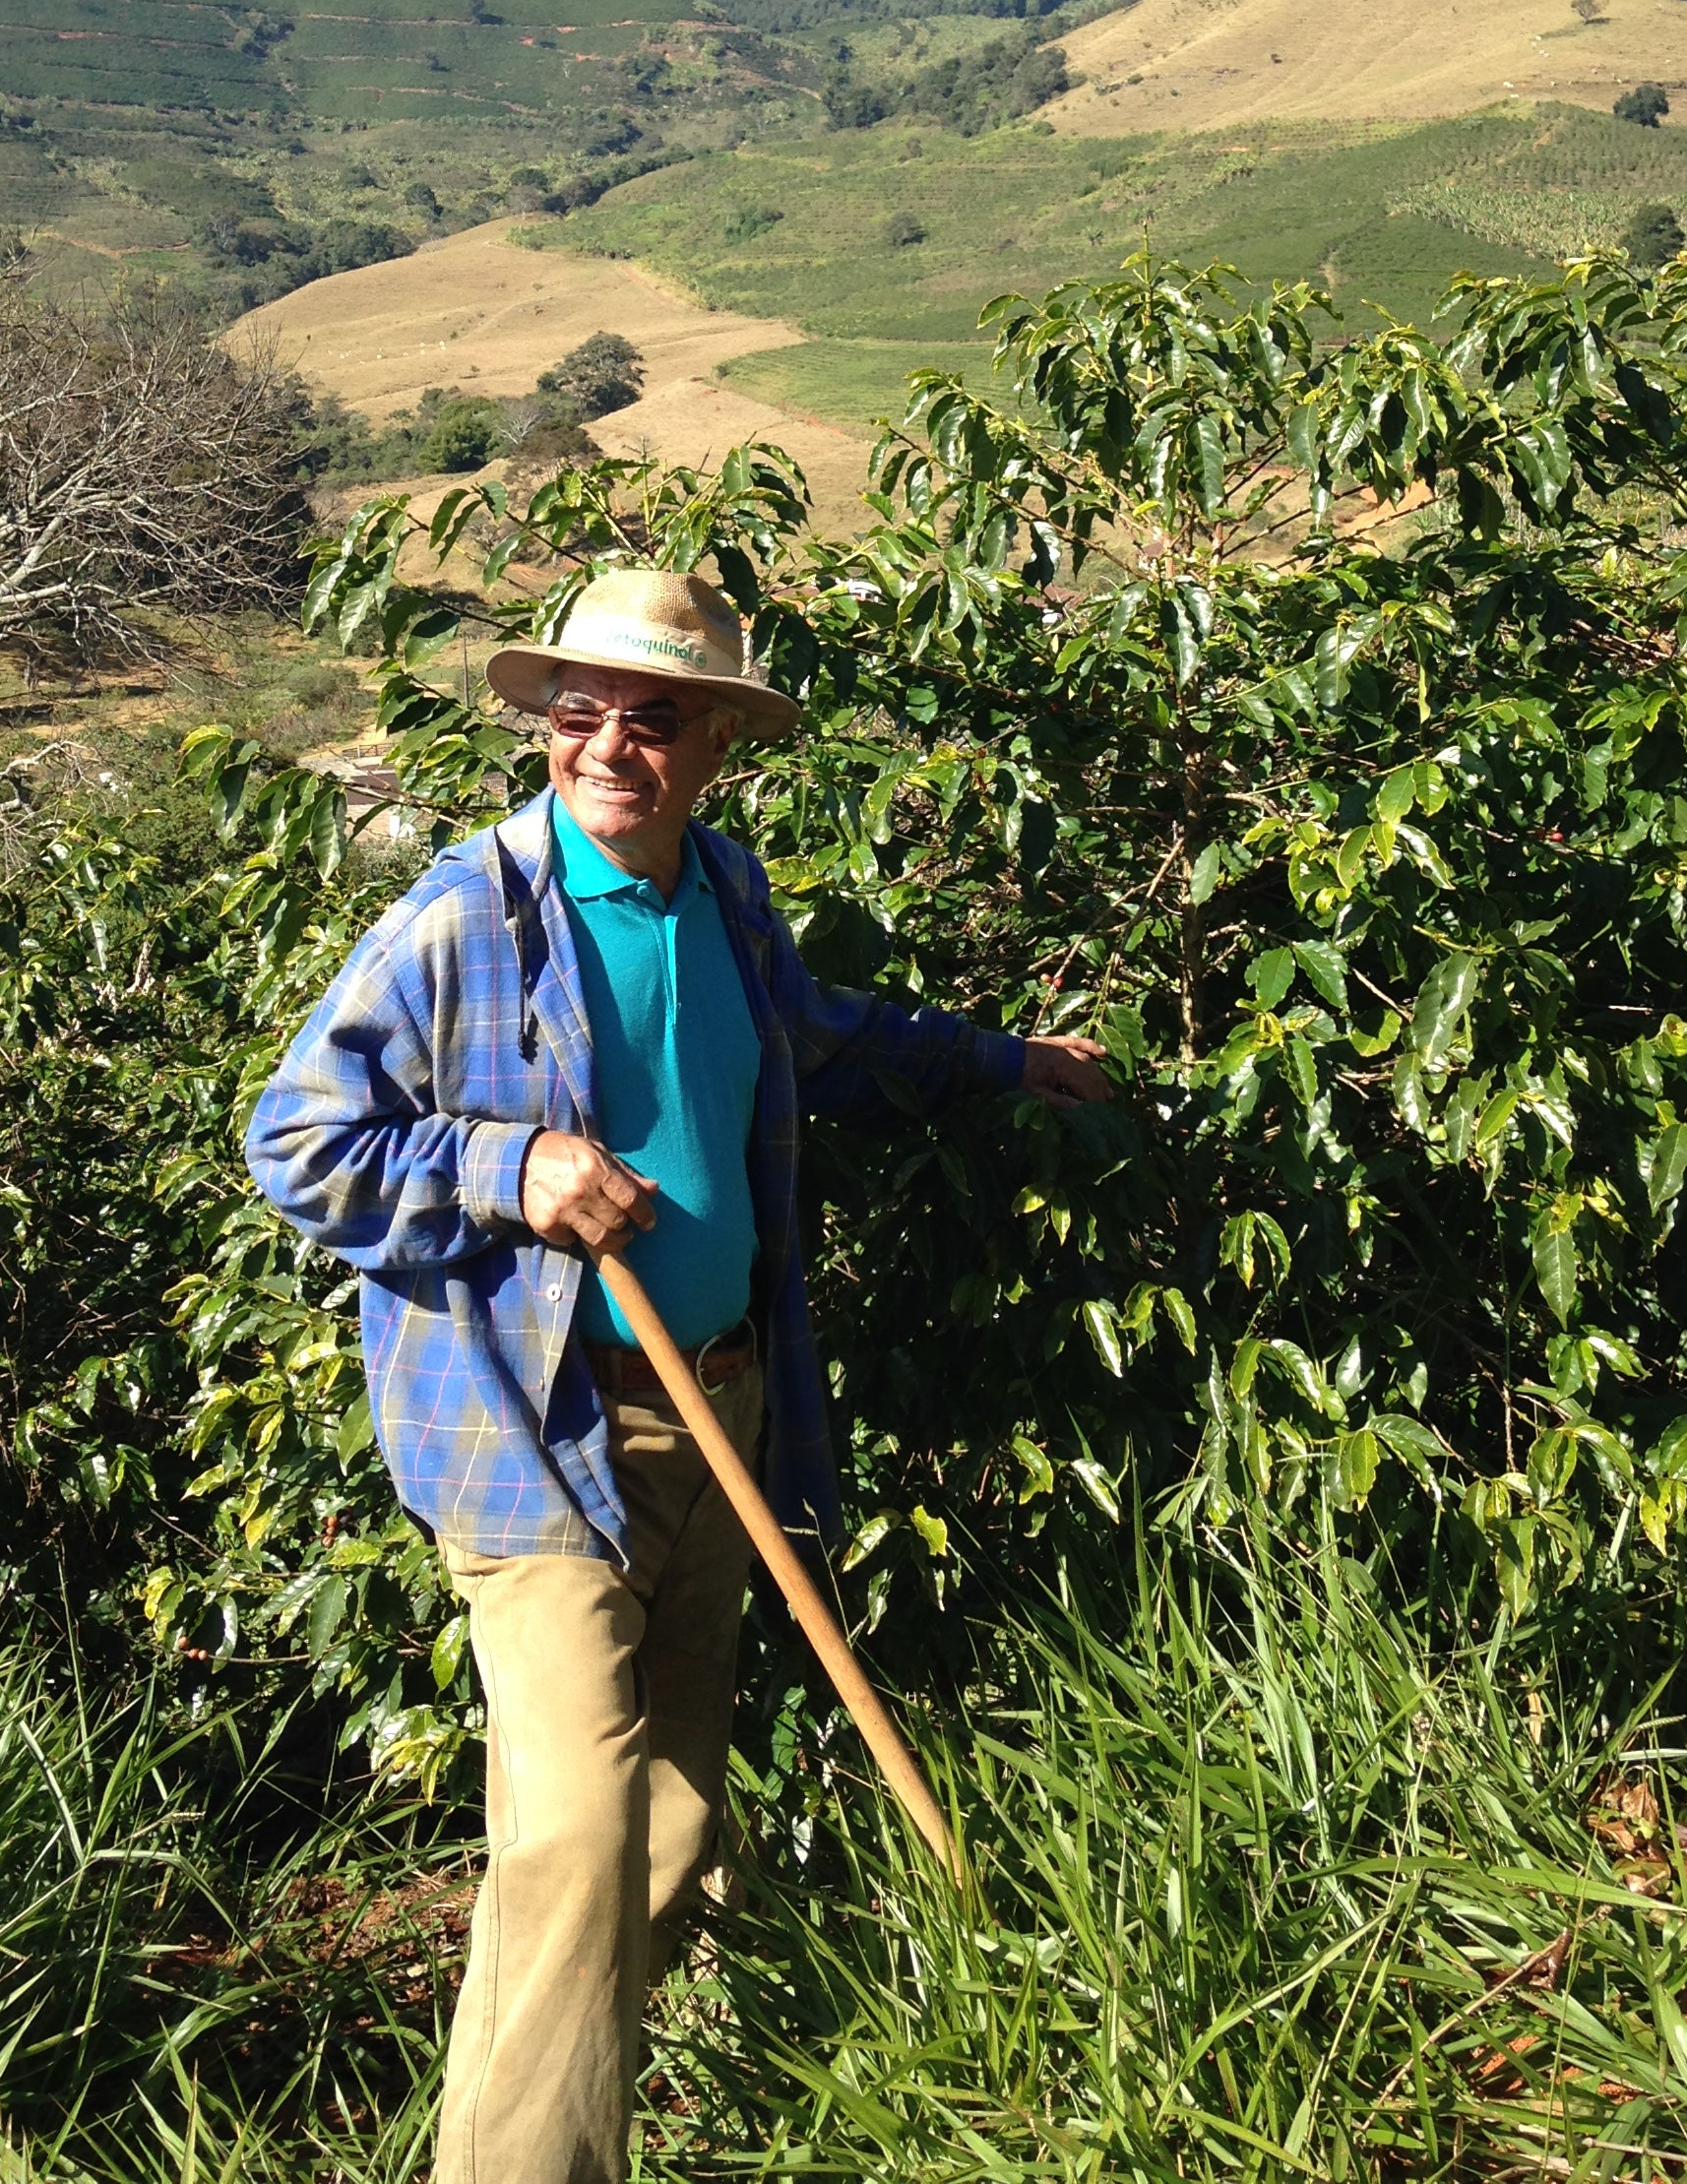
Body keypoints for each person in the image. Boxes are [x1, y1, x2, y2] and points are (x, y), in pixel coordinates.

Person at [246, 564, 1110, 2184]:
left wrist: (1016, 1064)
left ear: (717, 742)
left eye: (653, 718)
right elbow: (298, 1145)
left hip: (724, 1411)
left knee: (678, 1836)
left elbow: (824, 1039)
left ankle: (573, 2125)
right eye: (581, 715)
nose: (608, 747)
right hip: (538, 1430)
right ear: (544, 732)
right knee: (576, 1838)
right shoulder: (462, 918)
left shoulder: (725, 891)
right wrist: (512, 1171)